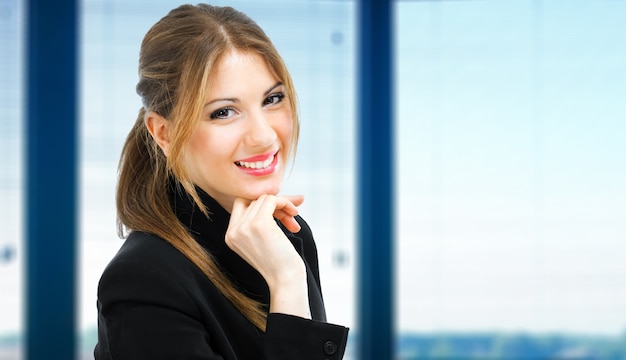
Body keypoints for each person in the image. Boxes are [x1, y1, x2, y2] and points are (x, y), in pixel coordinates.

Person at [94, 4, 349, 359]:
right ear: (164, 133)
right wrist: (287, 281)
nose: (263, 136)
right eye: (224, 112)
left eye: (272, 99)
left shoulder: (287, 236)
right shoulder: (142, 282)